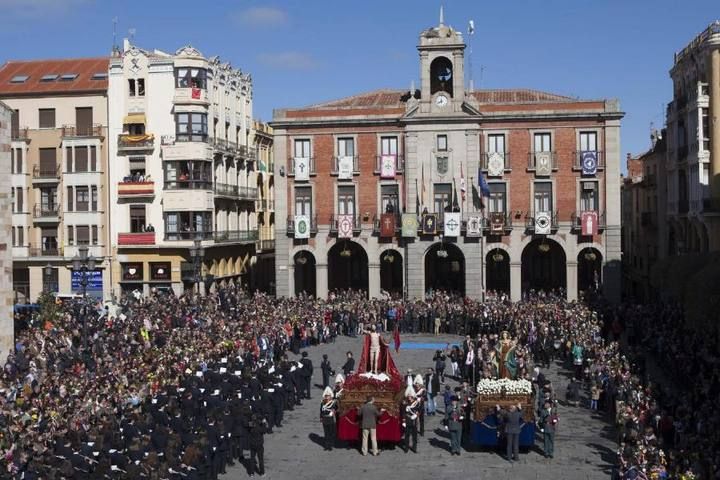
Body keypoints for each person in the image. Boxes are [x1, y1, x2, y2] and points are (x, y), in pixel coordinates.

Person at [402, 386, 420, 453]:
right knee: (407, 435)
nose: (409, 397)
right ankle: (406, 448)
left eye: (410, 396)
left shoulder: (416, 403)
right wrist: (403, 420)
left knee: (414, 436)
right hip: (407, 420)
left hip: (414, 421)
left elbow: (419, 411)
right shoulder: (405, 403)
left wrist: (416, 415)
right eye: (408, 396)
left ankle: (414, 448)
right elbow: (403, 412)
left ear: (412, 396)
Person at [320, 387, 337, 451]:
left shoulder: (333, 403)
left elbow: (336, 409)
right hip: (325, 419)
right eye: (326, 396)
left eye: (328, 396)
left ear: (330, 396)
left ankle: (330, 445)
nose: (327, 397)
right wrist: (321, 417)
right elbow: (321, 411)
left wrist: (334, 411)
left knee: (331, 433)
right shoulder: (322, 403)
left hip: (330, 419)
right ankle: (326, 446)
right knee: (326, 433)